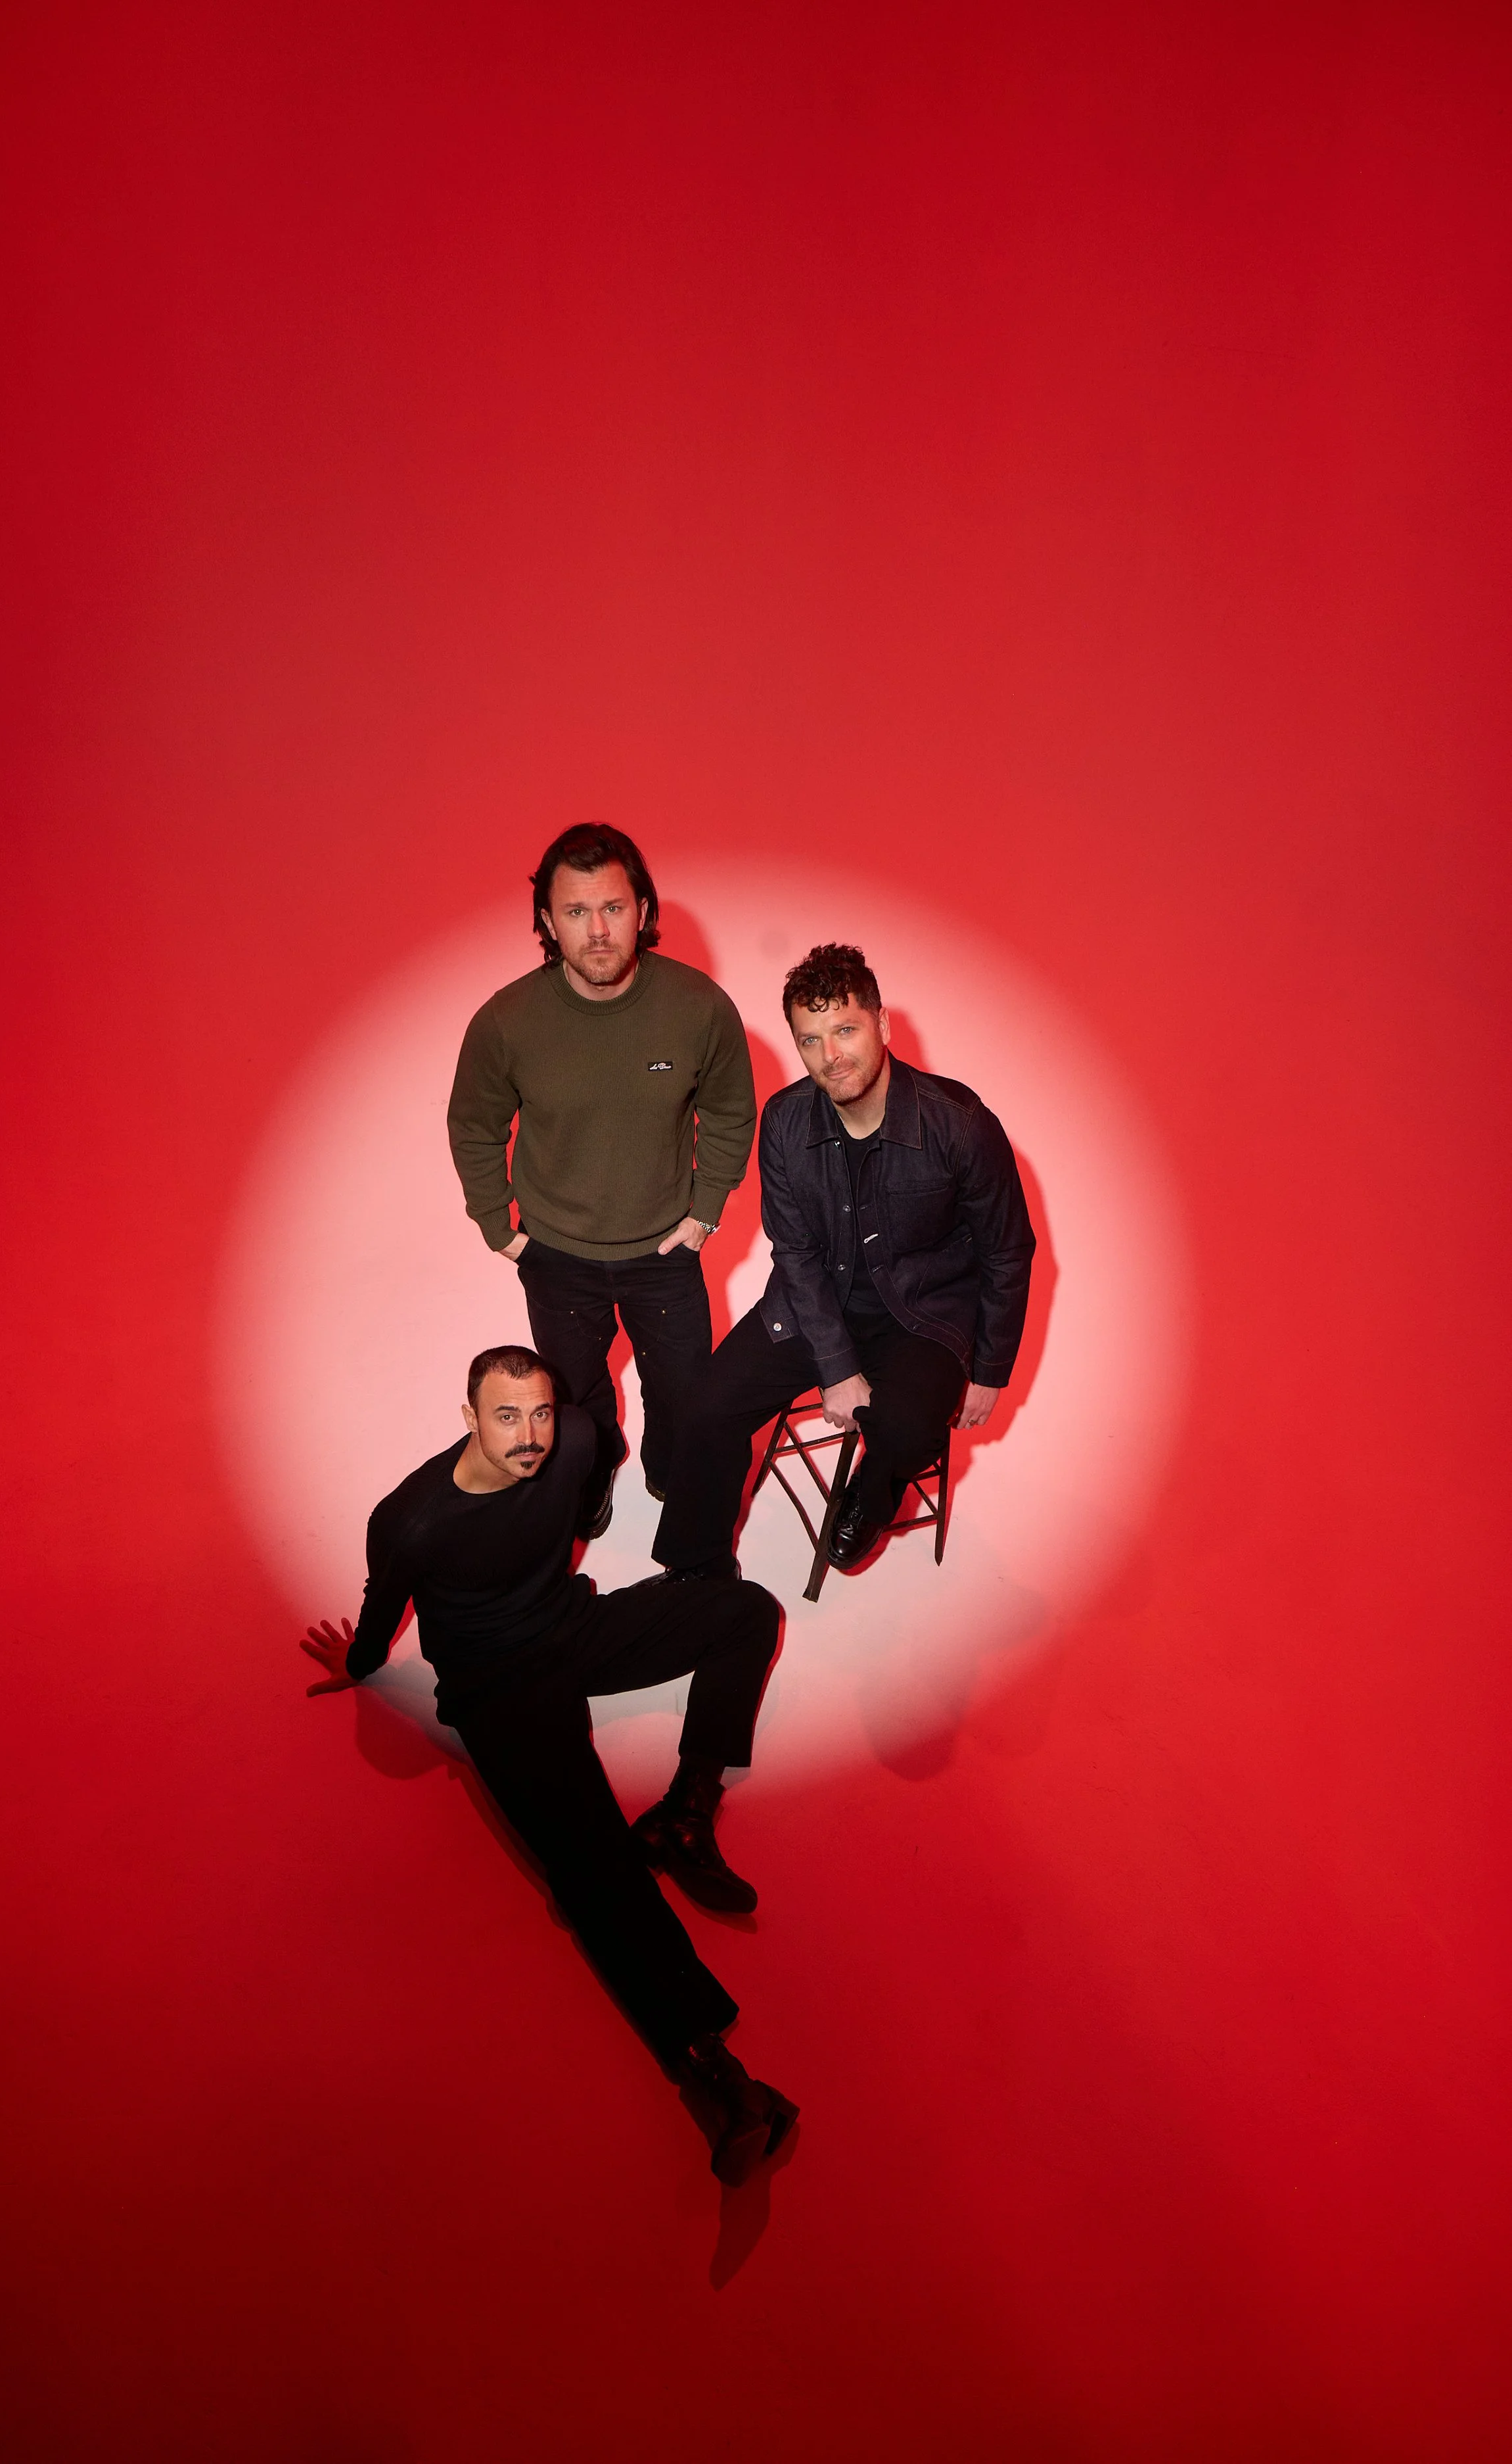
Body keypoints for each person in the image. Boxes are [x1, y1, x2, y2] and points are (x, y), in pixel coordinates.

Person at [298, 1343, 798, 2185]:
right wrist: (357, 1661)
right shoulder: (412, 1520)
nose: (529, 1435)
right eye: (505, 1417)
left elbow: (588, 1473)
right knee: (592, 1865)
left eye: (538, 1413)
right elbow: (381, 1615)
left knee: (745, 1612)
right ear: (468, 1418)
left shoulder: (575, 1438)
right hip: (496, 1689)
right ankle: (716, 2075)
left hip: (571, 1630)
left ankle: (683, 1813)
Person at [653, 943, 1036, 1579]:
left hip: (924, 1316)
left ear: (882, 1024)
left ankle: (871, 1493)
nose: (830, 1055)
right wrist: (837, 1368)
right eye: (811, 1039)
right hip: (815, 1304)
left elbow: (1007, 1248)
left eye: (846, 1030)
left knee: (906, 1427)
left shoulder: (960, 1123)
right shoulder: (784, 1122)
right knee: (706, 1407)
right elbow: (796, 1253)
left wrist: (991, 1369)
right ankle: (694, 1575)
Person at [446, 824, 756, 1537]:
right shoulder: (506, 1020)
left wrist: (706, 1209)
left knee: (683, 1390)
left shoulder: (698, 1006)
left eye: (613, 908)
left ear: (642, 911)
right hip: (556, 1251)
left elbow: (731, 1111)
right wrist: (498, 1226)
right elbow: (474, 1125)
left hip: (665, 1249)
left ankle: (668, 1471)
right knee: (575, 1396)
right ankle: (594, 1473)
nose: (597, 930)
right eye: (576, 911)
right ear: (547, 922)